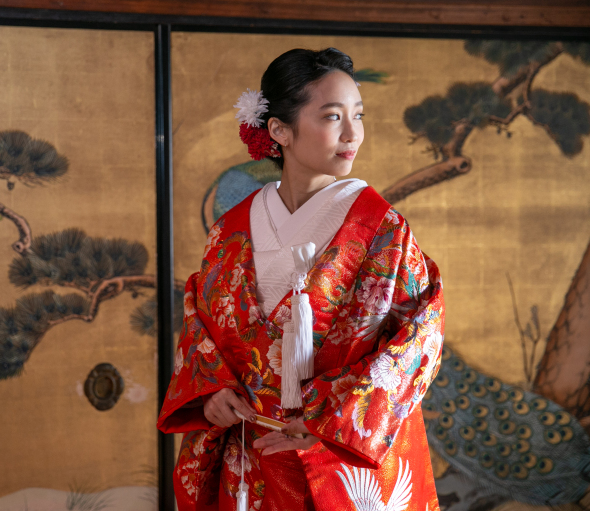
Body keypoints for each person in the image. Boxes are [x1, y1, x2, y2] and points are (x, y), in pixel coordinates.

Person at [158, 48, 444, 511]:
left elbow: (418, 338)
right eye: (333, 116)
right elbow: (202, 330)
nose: (353, 133)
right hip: (252, 453)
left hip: (339, 457)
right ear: (279, 130)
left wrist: (331, 422)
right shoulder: (229, 231)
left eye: (358, 115)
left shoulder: (382, 229)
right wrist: (211, 395)